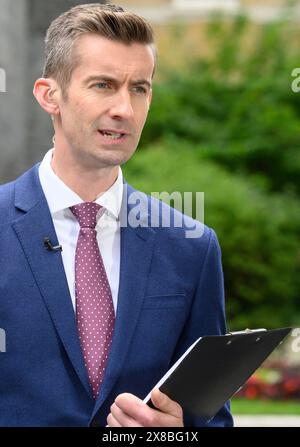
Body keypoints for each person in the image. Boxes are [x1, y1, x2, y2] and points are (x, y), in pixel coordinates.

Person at [0, 3, 233, 427]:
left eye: (139, 88)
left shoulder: (191, 247)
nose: (124, 109)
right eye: (104, 85)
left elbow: (211, 419)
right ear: (49, 95)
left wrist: (175, 434)